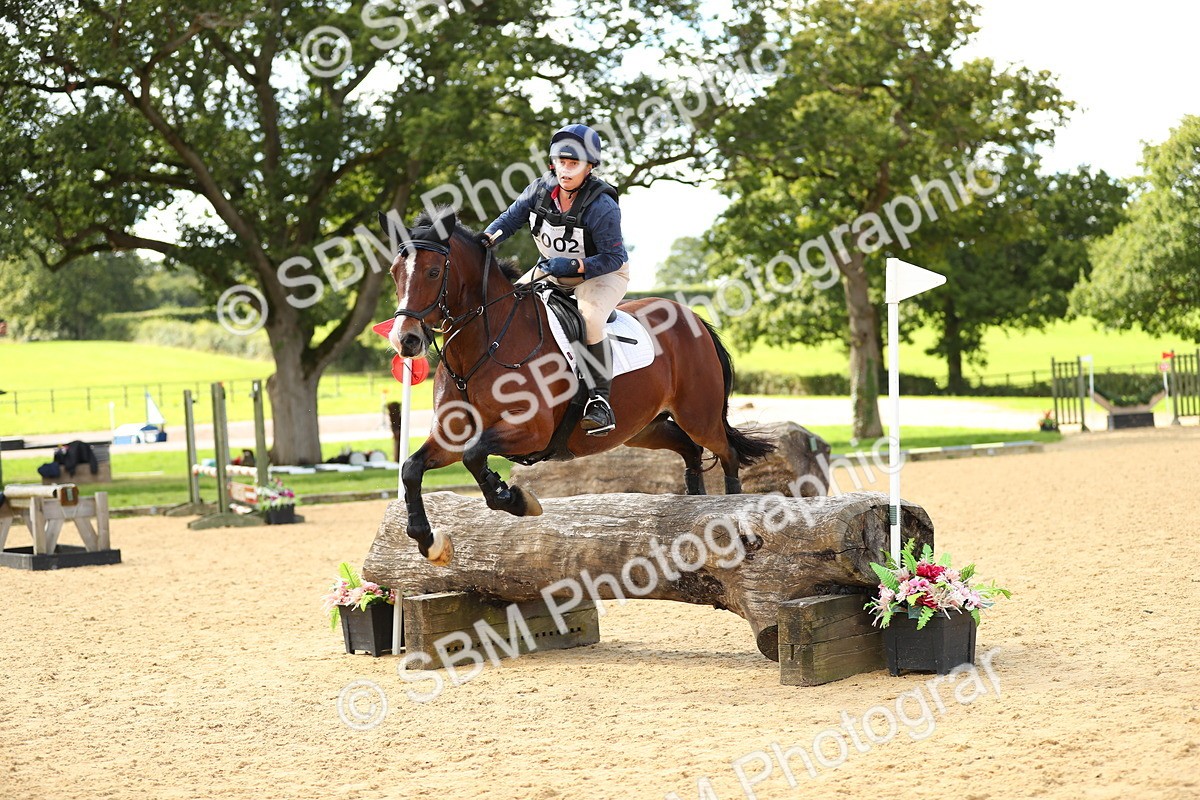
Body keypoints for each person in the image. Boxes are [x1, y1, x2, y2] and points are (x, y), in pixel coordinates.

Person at [480, 124, 629, 436]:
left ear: (590, 167)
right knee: (503, 305)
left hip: (601, 275)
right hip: (551, 270)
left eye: (573, 164)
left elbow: (613, 257)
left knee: (589, 319)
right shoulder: (539, 190)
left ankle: (599, 401)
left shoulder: (602, 206)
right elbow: (510, 219)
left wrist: (570, 264)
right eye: (561, 162)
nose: (565, 170)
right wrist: (486, 239)